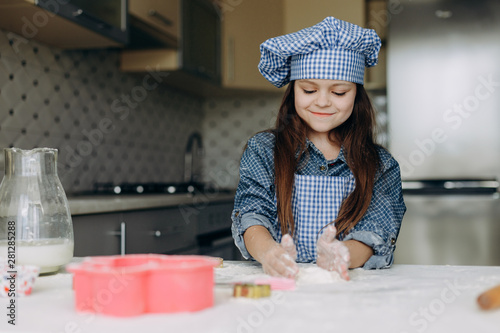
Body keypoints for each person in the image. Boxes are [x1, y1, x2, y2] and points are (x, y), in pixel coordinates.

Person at [231, 17, 406, 280]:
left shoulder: (379, 164)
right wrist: (269, 253)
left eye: (339, 92)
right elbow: (252, 213)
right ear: (293, 91)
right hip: (282, 288)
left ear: (357, 95)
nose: (322, 102)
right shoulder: (264, 150)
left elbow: (378, 227)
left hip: (349, 291)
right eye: (309, 89)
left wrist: (341, 254)